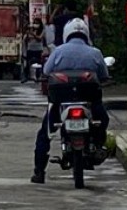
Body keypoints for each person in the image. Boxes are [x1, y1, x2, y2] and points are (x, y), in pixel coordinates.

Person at [30, 18, 110, 184]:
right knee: (103, 120)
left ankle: (39, 172)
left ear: (67, 34)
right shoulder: (95, 52)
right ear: (86, 34)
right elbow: (104, 75)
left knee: (45, 134)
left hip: (60, 102)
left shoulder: (58, 51)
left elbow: (46, 70)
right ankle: (97, 148)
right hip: (90, 100)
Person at [22, 18, 45, 83]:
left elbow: (39, 38)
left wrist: (33, 34)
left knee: (38, 63)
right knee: (28, 63)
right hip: (30, 48)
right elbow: (26, 39)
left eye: (37, 23)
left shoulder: (42, 30)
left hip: (38, 49)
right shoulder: (30, 30)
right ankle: (26, 76)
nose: (35, 25)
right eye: (34, 23)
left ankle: (38, 76)